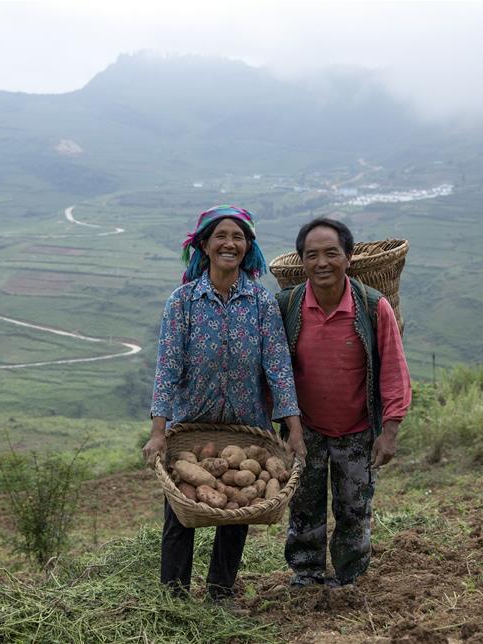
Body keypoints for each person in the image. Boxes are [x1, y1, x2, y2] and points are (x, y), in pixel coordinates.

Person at [142, 204, 306, 602]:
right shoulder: (182, 302)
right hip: (192, 427)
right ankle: (173, 597)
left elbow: (278, 369)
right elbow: (168, 368)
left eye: (238, 237)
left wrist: (295, 431)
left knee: (239, 511)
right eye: (221, 236)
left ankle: (220, 592)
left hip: (246, 424)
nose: (230, 243)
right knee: (181, 512)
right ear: (204, 244)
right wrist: (158, 432)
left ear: (248, 247)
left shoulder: (261, 303)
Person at [277, 217, 411, 588]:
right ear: (302, 261)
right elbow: (273, 370)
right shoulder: (286, 306)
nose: (322, 262)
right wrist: (285, 429)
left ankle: (350, 576)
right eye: (312, 255)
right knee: (304, 507)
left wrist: (390, 431)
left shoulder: (372, 307)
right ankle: (306, 574)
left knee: (354, 509)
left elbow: (394, 372)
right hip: (305, 431)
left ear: (349, 258)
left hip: (358, 431)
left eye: (331, 253)